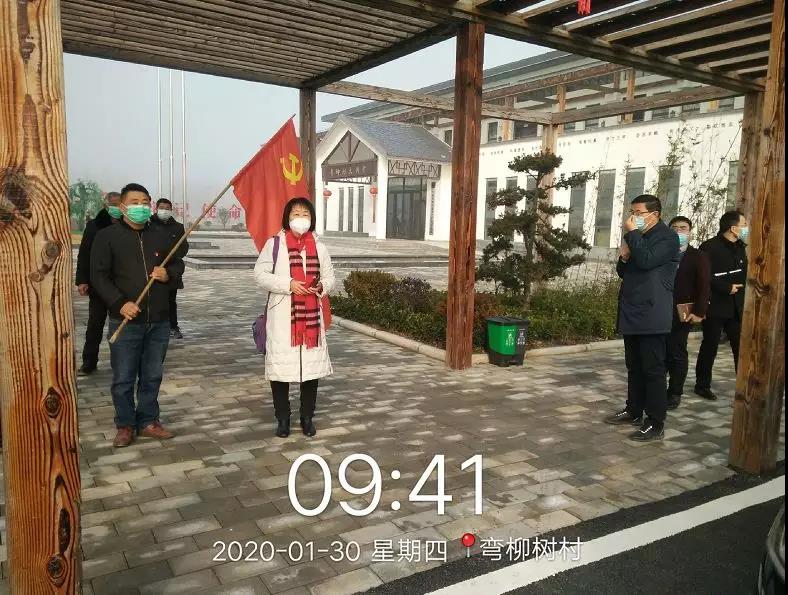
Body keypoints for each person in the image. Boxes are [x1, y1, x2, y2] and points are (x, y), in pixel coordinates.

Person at [90, 183, 184, 447]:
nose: (140, 207)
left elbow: (177, 264)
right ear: (122, 207)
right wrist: (120, 303)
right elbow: (99, 275)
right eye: (134, 202)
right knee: (123, 378)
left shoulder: (160, 235)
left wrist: (168, 274)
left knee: (152, 375)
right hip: (126, 320)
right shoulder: (107, 237)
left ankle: (148, 421)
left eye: (145, 202)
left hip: (159, 320)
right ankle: (125, 425)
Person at [253, 197, 335, 439]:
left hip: (311, 319)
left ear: (312, 219)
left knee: (311, 372)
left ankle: (307, 417)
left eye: (305, 214)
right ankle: (283, 419)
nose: (301, 218)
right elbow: (259, 274)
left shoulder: (320, 247)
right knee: (280, 371)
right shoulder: (274, 244)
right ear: (287, 217)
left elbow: (330, 277)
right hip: (282, 318)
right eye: (296, 213)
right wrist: (288, 284)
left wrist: (321, 286)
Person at [605, 195, 680, 442]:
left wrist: (633, 236)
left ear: (654, 214)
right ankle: (634, 409)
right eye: (632, 212)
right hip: (632, 310)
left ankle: (655, 422)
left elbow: (647, 261)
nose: (633, 218)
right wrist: (624, 257)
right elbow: (623, 272)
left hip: (652, 312)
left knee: (653, 370)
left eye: (638, 213)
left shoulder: (667, 238)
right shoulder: (637, 237)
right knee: (634, 366)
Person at [694, 210, 749, 401]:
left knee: (740, 347)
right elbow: (703, 276)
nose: (746, 228)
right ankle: (702, 385)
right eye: (744, 225)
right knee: (710, 346)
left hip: (736, 307)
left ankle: (744, 386)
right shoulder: (709, 247)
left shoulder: (740, 247)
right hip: (715, 305)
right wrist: (726, 287)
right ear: (733, 228)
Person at [75, 191, 122, 375]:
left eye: (120, 204)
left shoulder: (128, 225)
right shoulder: (94, 226)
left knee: (122, 325)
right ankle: (89, 361)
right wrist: (82, 280)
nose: (117, 208)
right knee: (95, 324)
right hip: (99, 284)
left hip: (122, 285)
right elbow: (84, 254)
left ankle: (122, 362)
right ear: (106, 205)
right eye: (113, 204)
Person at [666, 216, 710, 410]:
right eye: (674, 228)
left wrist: (699, 311)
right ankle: (657, 389)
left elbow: (704, 286)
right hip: (658, 309)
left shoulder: (697, 256)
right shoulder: (662, 253)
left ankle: (675, 392)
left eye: (683, 228)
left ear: (690, 232)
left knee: (676, 352)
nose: (678, 231)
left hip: (681, 312)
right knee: (659, 353)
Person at [150, 197, 189, 339]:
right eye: (162, 208)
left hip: (171, 270)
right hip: (152, 269)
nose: (164, 211)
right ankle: (154, 327)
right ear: (156, 209)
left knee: (171, 301)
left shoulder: (177, 227)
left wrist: (172, 256)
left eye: (167, 209)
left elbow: (183, 248)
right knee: (153, 300)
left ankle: (173, 326)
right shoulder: (148, 224)